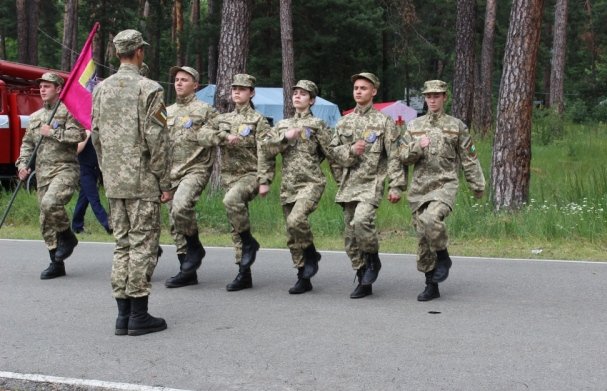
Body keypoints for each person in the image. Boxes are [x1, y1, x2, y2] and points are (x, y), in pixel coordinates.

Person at [91, 29, 172, 336]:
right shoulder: (149, 89)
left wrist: (107, 170)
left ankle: (122, 316)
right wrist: (165, 181)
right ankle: (139, 315)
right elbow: (157, 138)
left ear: (116, 53)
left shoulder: (101, 89)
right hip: (142, 181)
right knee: (143, 245)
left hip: (114, 180)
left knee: (122, 245)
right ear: (139, 51)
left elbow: (96, 135)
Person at [262, 80, 356, 294]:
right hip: (288, 185)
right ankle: (302, 275)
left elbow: (332, 153)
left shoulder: (318, 125)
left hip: (311, 182)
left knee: (297, 220)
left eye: (303, 94)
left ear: (311, 100)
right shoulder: (282, 125)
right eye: (295, 93)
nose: (297, 96)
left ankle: (311, 252)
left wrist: (344, 176)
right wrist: (285, 138)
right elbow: (267, 149)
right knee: (292, 233)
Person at [399, 80, 485, 301]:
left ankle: (444, 257)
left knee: (431, 219)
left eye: (437, 95)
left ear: (445, 97)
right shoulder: (413, 126)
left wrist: (477, 184)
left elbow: (469, 158)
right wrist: (419, 145)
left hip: (445, 185)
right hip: (419, 189)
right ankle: (431, 284)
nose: (432, 99)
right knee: (423, 237)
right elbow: (403, 157)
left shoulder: (456, 126)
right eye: (428, 96)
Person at [331, 72, 407, 299]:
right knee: (350, 237)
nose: (358, 91)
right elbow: (334, 153)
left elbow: (394, 156)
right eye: (356, 87)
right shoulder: (344, 122)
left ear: (373, 91)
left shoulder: (384, 122)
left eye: (363, 88)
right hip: (348, 185)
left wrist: (396, 186)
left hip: (371, 183)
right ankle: (363, 276)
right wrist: (350, 151)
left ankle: (372, 258)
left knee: (362, 221)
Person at [198, 73, 274, 292]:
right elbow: (202, 135)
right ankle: (244, 272)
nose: (237, 92)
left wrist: (264, 180)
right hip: (229, 177)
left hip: (250, 175)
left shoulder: (258, 120)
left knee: (231, 200)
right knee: (235, 223)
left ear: (251, 93)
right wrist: (223, 137)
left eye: (242, 88)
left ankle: (249, 241)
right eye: (234, 88)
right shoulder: (223, 119)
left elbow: (266, 151)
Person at [16, 72, 86, 280]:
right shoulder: (36, 117)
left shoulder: (68, 112)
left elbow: (80, 135)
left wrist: (53, 132)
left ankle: (68, 237)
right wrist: (22, 164)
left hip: (65, 169)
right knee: (45, 220)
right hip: (43, 173)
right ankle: (56, 262)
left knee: (50, 203)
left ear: (58, 89)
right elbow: (27, 144)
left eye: (48, 86)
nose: (43, 89)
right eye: (41, 86)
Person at [164, 65, 218, 288]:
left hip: (195, 169)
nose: (178, 83)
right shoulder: (165, 111)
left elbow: (214, 136)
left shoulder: (206, 110)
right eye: (176, 79)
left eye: (184, 79)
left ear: (195, 85)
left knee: (181, 206)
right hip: (170, 172)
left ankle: (194, 246)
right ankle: (186, 269)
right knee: (175, 221)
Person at [71, 130, 111, 234]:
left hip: (95, 169)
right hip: (85, 170)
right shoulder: (82, 131)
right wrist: (87, 135)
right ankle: (108, 224)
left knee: (84, 199)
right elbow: (77, 149)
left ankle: (77, 226)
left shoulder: (97, 131)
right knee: (94, 199)